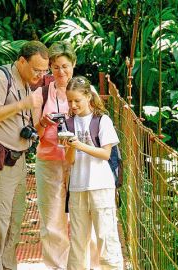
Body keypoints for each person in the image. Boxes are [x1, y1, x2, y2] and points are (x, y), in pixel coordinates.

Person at [0, 40, 49, 270]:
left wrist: (39, 120)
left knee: (12, 226)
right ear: (21, 61)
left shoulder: (26, 82)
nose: (40, 75)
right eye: (36, 69)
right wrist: (22, 104)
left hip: (17, 163)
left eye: (44, 71)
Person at [33, 41, 99, 269]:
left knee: (84, 218)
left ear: (73, 65)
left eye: (65, 66)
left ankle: (89, 265)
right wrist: (43, 122)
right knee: (52, 220)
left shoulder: (86, 92)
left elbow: (99, 128)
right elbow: (35, 132)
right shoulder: (41, 92)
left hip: (80, 162)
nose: (61, 72)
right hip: (49, 161)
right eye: (56, 67)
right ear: (49, 67)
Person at [64, 76, 124, 270]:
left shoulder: (102, 120)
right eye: (70, 101)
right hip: (78, 186)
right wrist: (71, 146)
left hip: (101, 185)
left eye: (77, 101)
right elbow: (69, 160)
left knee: (106, 238)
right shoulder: (68, 123)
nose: (73, 105)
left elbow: (106, 154)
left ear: (88, 97)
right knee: (78, 241)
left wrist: (79, 144)